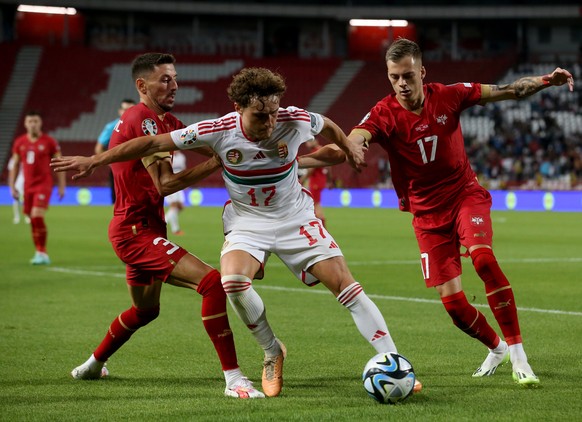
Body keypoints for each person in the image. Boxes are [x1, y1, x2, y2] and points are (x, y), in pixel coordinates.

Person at [51, 66, 421, 398]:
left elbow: (330, 127)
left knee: (347, 286)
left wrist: (349, 149)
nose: (270, 122)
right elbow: (150, 143)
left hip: (295, 217)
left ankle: (393, 361)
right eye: (261, 116)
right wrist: (95, 159)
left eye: (275, 112)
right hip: (247, 222)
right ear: (237, 108)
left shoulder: (295, 119)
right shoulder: (216, 130)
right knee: (230, 282)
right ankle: (272, 351)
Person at [344, 38, 574, 387]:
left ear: (422, 72)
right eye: (394, 78)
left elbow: (508, 90)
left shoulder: (449, 95)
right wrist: (356, 146)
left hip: (465, 195)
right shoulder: (384, 113)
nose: (402, 84)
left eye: (408, 75)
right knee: (453, 304)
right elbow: (359, 133)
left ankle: (518, 354)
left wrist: (546, 80)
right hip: (426, 216)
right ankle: (495, 348)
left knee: (482, 259)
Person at [56, 53, 263, 399]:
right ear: (142, 85)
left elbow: (207, 139)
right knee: (212, 283)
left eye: (175, 78)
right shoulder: (144, 119)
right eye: (165, 79)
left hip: (142, 229)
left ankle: (93, 364)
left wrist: (243, 139)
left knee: (146, 310)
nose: (174, 85)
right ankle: (234, 379)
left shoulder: (162, 120)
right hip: (136, 232)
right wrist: (216, 161)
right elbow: (164, 185)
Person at [9, 110, 66, 264]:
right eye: (30, 121)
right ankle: (39, 252)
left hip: (44, 184)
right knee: (32, 218)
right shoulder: (19, 142)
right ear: (25, 124)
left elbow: (59, 163)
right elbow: (14, 165)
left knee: (36, 215)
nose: (33, 124)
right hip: (27, 186)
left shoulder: (50, 142)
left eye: (35, 121)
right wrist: (12, 186)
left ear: (40, 123)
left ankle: (42, 252)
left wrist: (62, 185)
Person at [95, 98, 136, 203]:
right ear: (119, 111)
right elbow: (98, 148)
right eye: (124, 109)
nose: (126, 112)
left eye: (129, 109)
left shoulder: (141, 126)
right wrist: (111, 162)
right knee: (119, 202)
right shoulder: (112, 127)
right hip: (118, 171)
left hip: (137, 169)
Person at [299, 139, 331, 227]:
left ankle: (322, 228)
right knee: (315, 204)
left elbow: (311, 169)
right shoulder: (322, 150)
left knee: (315, 205)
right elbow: (328, 167)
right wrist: (329, 180)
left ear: (315, 141)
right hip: (321, 181)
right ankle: (320, 226)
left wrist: (302, 180)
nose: (307, 144)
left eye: (309, 141)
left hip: (316, 182)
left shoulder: (316, 152)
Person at [164, 150, 187, 235]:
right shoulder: (167, 156)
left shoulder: (182, 157)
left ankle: (164, 221)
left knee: (180, 207)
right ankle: (175, 229)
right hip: (170, 183)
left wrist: (185, 183)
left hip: (179, 184)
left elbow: (183, 170)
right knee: (173, 206)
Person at [7, 155, 29, 224]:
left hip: (26, 180)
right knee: (16, 199)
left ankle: (27, 216)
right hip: (17, 182)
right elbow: (11, 172)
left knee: (25, 199)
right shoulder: (13, 160)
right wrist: (11, 184)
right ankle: (17, 216)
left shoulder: (25, 157)